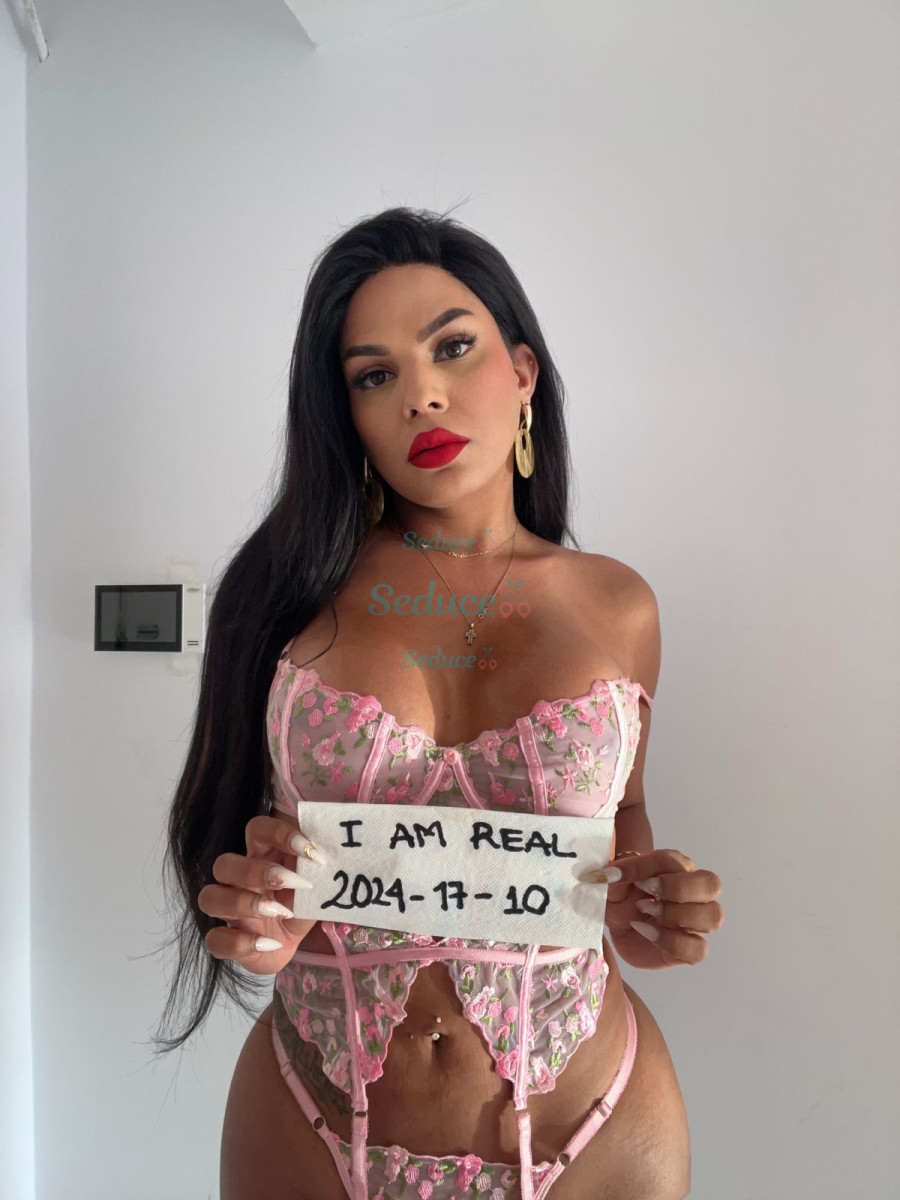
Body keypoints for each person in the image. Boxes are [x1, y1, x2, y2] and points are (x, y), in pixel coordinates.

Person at [152, 205, 724, 1200]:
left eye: (452, 348)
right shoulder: (279, 596)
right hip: (312, 1123)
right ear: (346, 415)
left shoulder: (620, 606)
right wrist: (250, 911)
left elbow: (619, 822)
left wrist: (646, 911)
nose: (420, 394)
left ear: (523, 373)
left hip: (597, 1123)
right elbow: (226, 841)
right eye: (373, 376)